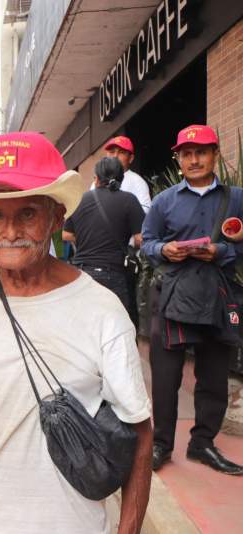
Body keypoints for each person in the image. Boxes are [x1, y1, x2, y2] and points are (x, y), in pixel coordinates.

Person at [0, 132, 153, 534]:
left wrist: (127, 529)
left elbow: (139, 430)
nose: (10, 231)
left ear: (56, 218)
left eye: (27, 213)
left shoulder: (102, 311)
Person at [141, 124, 243, 475]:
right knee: (166, 378)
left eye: (201, 152)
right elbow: (147, 242)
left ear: (215, 155)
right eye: (187, 154)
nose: (194, 159)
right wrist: (163, 249)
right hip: (172, 297)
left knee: (213, 377)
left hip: (217, 295)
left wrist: (222, 251)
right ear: (179, 159)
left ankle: (203, 444)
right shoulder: (164, 201)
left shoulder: (238, 198)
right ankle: (161, 445)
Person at [62, 157, 145, 320]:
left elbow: (66, 234)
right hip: (114, 274)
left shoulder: (80, 199)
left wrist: (88, 236)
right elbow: (140, 239)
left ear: (96, 178)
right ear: (121, 178)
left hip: (82, 274)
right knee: (117, 325)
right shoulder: (129, 200)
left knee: (86, 326)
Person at [103, 136, 151, 212]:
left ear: (131, 158)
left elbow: (145, 213)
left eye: (121, 152)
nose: (115, 156)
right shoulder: (99, 180)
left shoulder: (138, 182)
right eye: (112, 152)